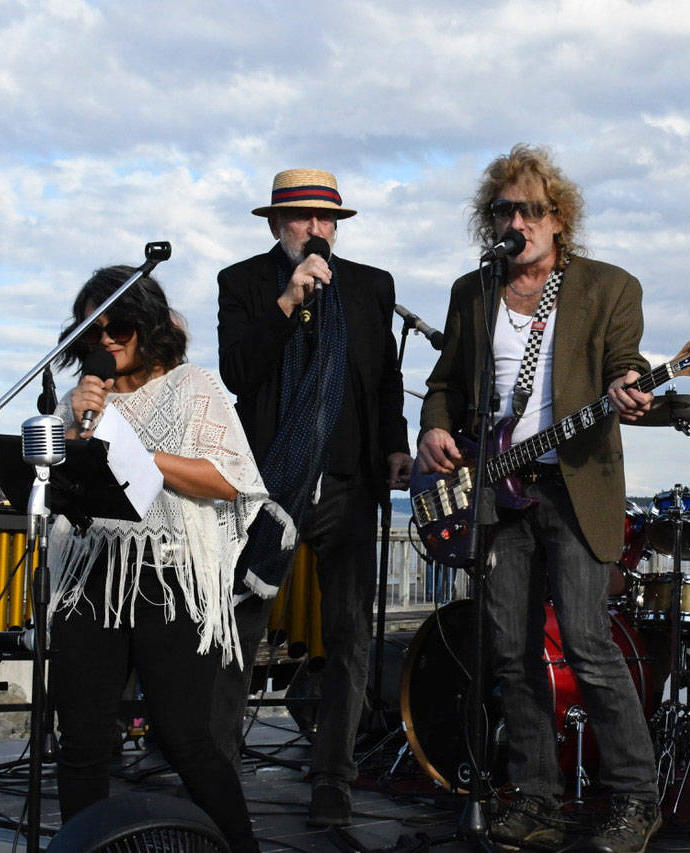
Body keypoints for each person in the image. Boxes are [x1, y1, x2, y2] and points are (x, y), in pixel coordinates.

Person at [417, 143, 660, 853]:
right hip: (493, 490)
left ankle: (634, 799)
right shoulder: (475, 291)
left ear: (559, 218)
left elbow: (627, 361)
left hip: (573, 483)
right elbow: (446, 383)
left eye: (530, 208)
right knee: (509, 650)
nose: (516, 220)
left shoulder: (607, 287)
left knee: (586, 640)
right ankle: (534, 797)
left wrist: (632, 383)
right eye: (503, 210)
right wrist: (435, 426)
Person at [213, 168, 413, 826]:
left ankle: (334, 777)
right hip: (267, 484)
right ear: (276, 223)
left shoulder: (369, 286)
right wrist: (287, 299)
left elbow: (386, 377)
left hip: (348, 484)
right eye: (304, 218)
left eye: (328, 220)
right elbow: (238, 372)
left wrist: (395, 445)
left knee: (350, 636)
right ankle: (216, 772)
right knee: (241, 630)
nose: (318, 230)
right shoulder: (243, 282)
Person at [49, 267, 262, 852]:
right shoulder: (81, 402)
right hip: (90, 573)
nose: (106, 341)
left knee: (186, 736)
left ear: (146, 325)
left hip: (168, 575)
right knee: (82, 741)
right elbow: (62, 489)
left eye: (118, 327)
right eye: (92, 332)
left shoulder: (194, 387)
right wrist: (80, 429)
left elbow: (229, 479)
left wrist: (137, 450)